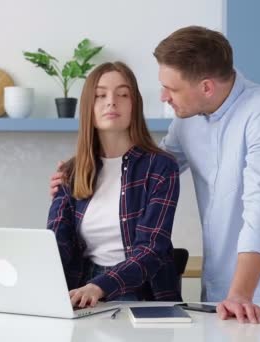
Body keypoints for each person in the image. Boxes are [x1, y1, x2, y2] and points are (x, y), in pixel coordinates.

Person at [51, 26, 260, 324]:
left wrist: (240, 293)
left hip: (259, 288)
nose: (164, 96)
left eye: (172, 88)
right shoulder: (188, 121)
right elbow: (148, 166)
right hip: (218, 286)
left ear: (206, 87)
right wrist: (81, 173)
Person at [47, 61, 182, 309]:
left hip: (141, 290)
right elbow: (58, 243)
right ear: (89, 106)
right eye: (100, 95)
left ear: (135, 105)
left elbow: (152, 248)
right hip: (81, 287)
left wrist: (101, 285)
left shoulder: (161, 167)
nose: (111, 101)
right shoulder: (71, 171)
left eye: (122, 94)